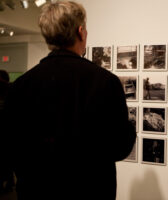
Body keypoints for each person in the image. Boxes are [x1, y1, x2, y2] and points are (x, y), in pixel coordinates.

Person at [1, 1, 136, 200]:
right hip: (91, 191)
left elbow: (9, 148)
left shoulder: (21, 85)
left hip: (36, 192)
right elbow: (118, 147)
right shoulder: (106, 82)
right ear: (81, 32)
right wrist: (130, 127)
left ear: (48, 37)